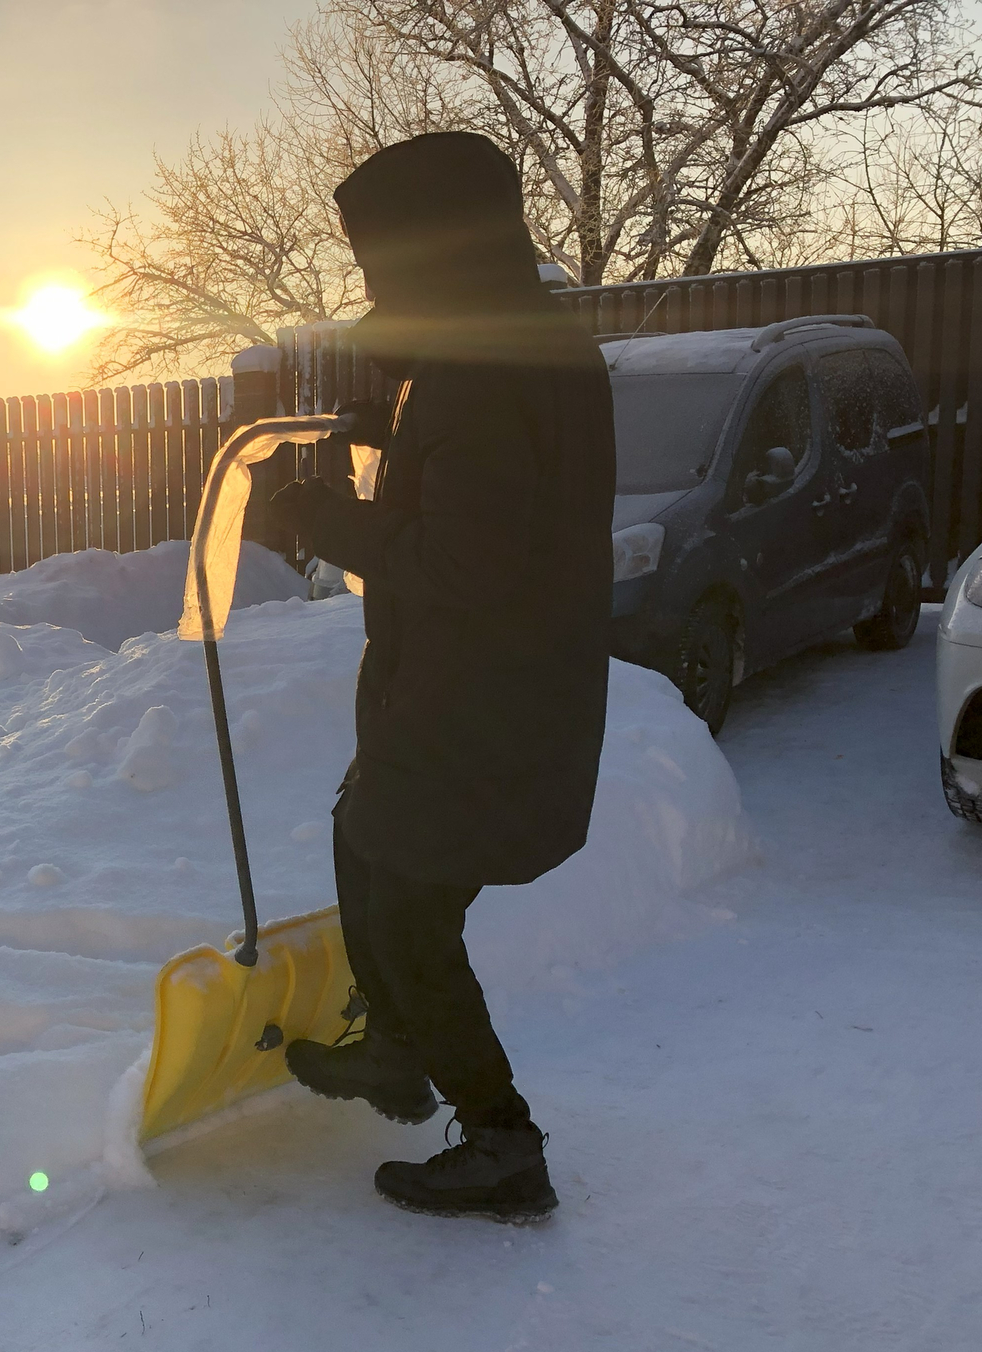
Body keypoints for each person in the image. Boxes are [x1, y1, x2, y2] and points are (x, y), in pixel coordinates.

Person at [270, 132, 615, 1223]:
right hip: (480, 682)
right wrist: (396, 423)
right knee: (362, 842)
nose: (371, 281)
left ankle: (501, 1142)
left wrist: (323, 517)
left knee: (410, 913)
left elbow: (461, 561)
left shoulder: (478, 371)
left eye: (378, 259)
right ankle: (394, 1049)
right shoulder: (516, 345)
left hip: (481, 694)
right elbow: (495, 482)